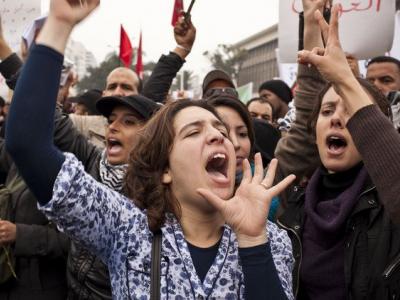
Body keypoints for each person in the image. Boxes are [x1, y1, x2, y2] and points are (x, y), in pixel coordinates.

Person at [5, 1, 296, 299]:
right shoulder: (127, 230)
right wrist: (58, 25)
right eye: (194, 132)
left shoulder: (270, 239)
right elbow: (27, 144)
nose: (217, 137)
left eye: (221, 131)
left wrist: (252, 241)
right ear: (166, 170)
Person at [275, 1, 400, 299]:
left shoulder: (390, 210)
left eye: (350, 112)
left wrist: (345, 79)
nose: (336, 118)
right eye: (327, 110)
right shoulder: (289, 206)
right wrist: (310, 21)